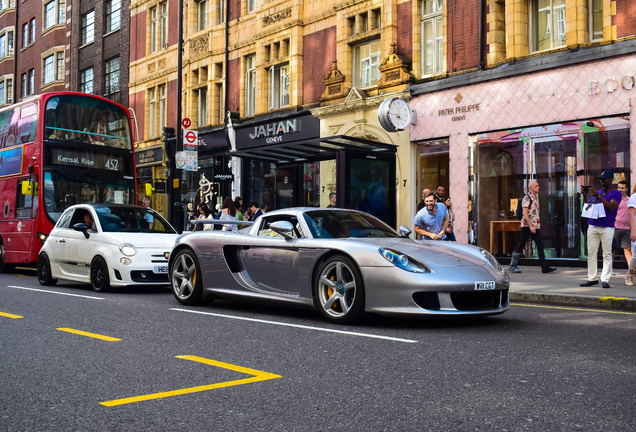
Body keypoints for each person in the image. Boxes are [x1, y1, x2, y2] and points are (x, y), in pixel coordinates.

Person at [580, 170, 621, 288]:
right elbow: (587, 208)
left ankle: (605, 279)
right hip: (593, 224)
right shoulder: (599, 192)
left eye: (604, 179)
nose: (602, 181)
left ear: (610, 179)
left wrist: (598, 196)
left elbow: (611, 206)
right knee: (591, 253)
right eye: (601, 179)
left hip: (607, 226)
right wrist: (585, 196)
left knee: (607, 253)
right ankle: (592, 278)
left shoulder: (616, 193)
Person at [508, 181, 556, 274]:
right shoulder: (527, 198)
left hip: (535, 226)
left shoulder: (535, 198)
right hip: (527, 226)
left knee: (540, 245)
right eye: (536, 186)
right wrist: (530, 225)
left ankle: (544, 267)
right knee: (521, 245)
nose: (538, 187)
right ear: (531, 188)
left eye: (538, 185)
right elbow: (524, 213)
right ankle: (513, 265)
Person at [613, 180, 631, 277]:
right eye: (619, 188)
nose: (620, 190)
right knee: (612, 249)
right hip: (615, 227)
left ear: (626, 189)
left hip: (627, 228)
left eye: (622, 188)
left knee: (627, 249)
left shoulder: (630, 200)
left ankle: (631, 269)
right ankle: (610, 269)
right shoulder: (614, 199)